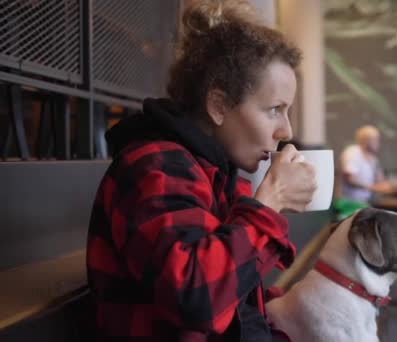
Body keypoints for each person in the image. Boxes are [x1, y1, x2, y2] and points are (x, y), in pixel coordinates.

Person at [86, 1, 316, 340]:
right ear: (218, 106)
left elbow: (236, 302)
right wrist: (271, 202)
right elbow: (196, 299)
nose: (286, 131)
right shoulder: (155, 166)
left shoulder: (219, 173)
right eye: (274, 110)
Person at [339, 125, 392, 203]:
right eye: (376, 140)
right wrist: (374, 187)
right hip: (350, 204)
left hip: (365, 202)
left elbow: (380, 180)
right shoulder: (352, 153)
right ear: (366, 140)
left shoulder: (372, 157)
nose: (378, 143)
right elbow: (350, 179)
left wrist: (388, 185)